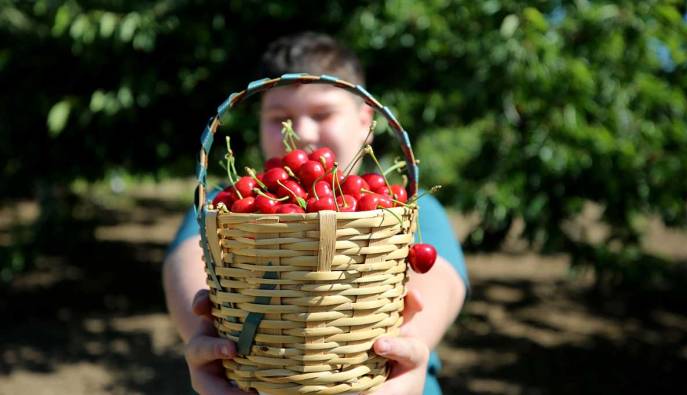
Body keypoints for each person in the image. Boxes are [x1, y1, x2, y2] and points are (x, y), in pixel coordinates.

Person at [163, 32, 469, 395]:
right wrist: (207, 342)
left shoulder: (406, 208)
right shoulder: (223, 206)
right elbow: (187, 272)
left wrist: (409, 350)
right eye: (279, 117)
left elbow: (440, 290)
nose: (303, 133)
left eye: (322, 113)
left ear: (365, 121)